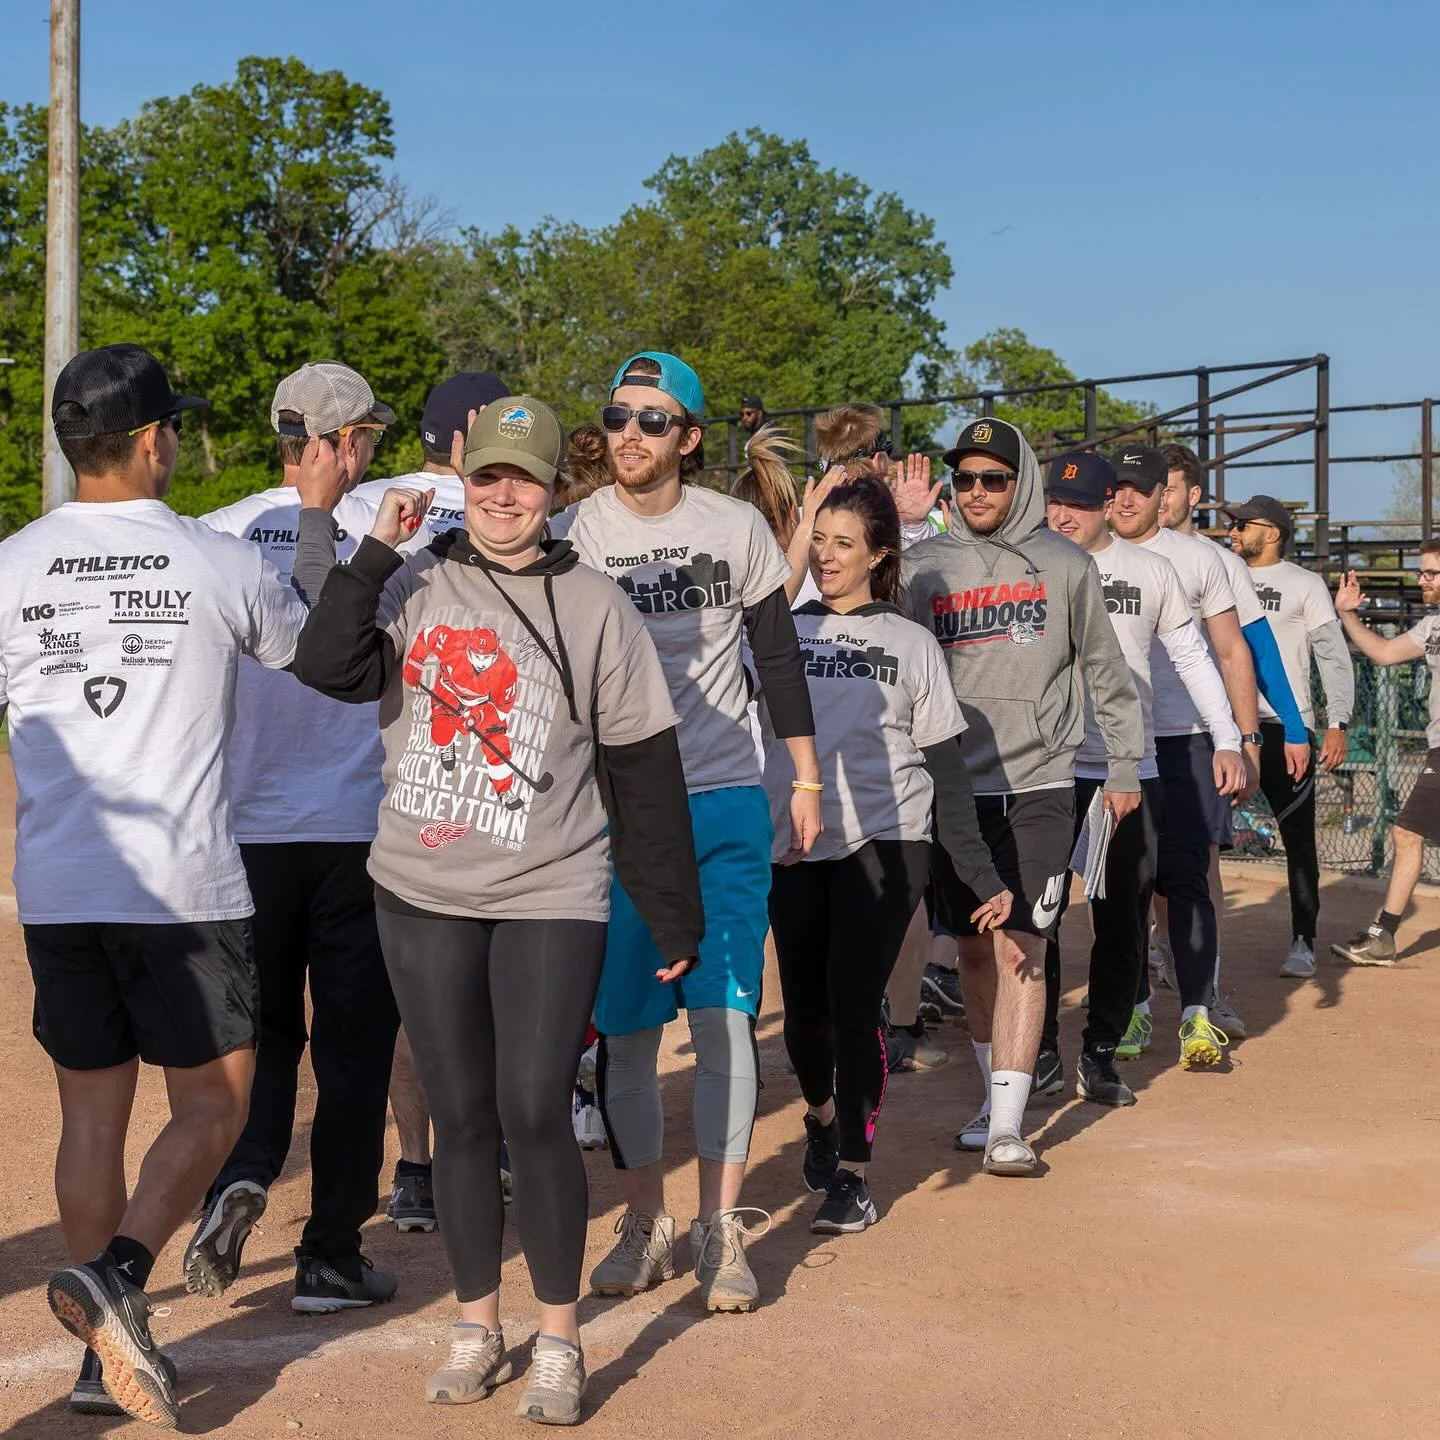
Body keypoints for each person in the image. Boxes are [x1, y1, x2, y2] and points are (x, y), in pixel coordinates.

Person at [290, 395, 702, 1425]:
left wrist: (670, 912)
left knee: (532, 1111)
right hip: (420, 890)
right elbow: (328, 666)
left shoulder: (598, 608)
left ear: (558, 488)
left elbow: (643, 771)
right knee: (462, 1114)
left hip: (549, 890)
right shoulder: (419, 581)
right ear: (460, 482)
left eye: (524, 478)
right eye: (487, 478)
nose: (504, 495)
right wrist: (375, 556)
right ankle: (479, 1327)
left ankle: (556, 1340)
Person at [1, 345, 315, 1426]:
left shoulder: (14, 563)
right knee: (216, 1106)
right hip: (183, 888)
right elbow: (309, 651)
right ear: (147, 442)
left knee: (91, 1116)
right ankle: (120, 1278)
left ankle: (101, 1361)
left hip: (58, 884)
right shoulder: (215, 559)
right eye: (170, 426)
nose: (175, 440)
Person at [567, 351, 822, 1312]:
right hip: (615, 814)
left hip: (720, 799)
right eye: (619, 417)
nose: (630, 434)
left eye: (653, 420)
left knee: (723, 1020)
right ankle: (647, 1219)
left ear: (690, 437)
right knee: (626, 1037)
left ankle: (721, 1229)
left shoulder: (734, 527)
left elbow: (777, 656)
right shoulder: (576, 531)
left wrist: (803, 776)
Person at [185, 363, 403, 1311]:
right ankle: (329, 1253)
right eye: (371, 437)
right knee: (354, 1049)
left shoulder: (214, 537)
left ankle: (240, 1174)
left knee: (260, 1036)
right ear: (342, 441)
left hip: (243, 832)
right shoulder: (384, 540)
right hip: (359, 828)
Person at [766, 475, 1010, 1231]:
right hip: (797, 842)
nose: (830, 557)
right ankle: (820, 1113)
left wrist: (977, 872)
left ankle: (852, 1174)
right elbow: (764, 604)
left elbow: (946, 770)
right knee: (802, 1014)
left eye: (846, 544)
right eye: (821, 542)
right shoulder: (781, 634)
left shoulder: (910, 642)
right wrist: (801, 527)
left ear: (879, 555)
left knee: (850, 1000)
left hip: (888, 841)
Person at [902, 418, 1143, 1175]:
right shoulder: (924, 569)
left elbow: (1106, 671)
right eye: (966, 478)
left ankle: (1009, 1126)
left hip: (1042, 781)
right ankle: (991, 1097)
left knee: (1022, 947)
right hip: (953, 789)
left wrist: (1127, 766)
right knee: (975, 948)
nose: (977, 491)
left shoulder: (1067, 565)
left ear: (1022, 481)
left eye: (993, 478)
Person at [351, 368, 508, 1228]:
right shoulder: (517, 506)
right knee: (494, 992)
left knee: (419, 998)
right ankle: (483, 1148)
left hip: (389, 782)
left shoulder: (364, 505)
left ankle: (416, 1167)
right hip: (484, 777)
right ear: (474, 427)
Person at [1041, 453, 1245, 1099]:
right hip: (1046, 771)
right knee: (1038, 918)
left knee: (1121, 918)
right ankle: (1040, 1047)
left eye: (1079, 503)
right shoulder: (1032, 563)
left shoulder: (1151, 571)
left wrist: (1229, 738)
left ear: (1106, 506)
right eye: (1055, 501)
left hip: (1128, 770)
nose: (1063, 513)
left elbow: (1192, 656)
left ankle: (1099, 1050)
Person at [1111, 444, 1307, 1063]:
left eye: (1152, 487)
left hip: (1190, 739)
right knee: (1124, 883)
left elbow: (1235, 653)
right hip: (1117, 744)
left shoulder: (1205, 560)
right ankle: (1133, 1008)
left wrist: (1246, 740)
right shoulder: (1088, 558)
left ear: (1176, 493)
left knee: (1191, 874)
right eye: (1123, 486)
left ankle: (1202, 1004)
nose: (1137, 498)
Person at [1224, 494, 1355, 976]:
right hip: (1228, 727)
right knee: (1193, 836)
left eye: (1243, 523)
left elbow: (1332, 656)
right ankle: (1168, 943)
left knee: (1298, 840)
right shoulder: (1220, 572)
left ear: (1273, 532)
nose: (1233, 530)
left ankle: (1304, 940)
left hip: (1286, 727)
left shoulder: (1304, 583)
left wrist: (1337, 722)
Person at [1329, 555, 1440, 965]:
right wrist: (1348, 615)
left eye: (1431, 573)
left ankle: (1383, 936)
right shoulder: (1432, 625)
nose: (1422, 579)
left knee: (1406, 833)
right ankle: (1384, 936)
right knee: (1408, 834)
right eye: (1422, 571)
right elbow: (1386, 653)